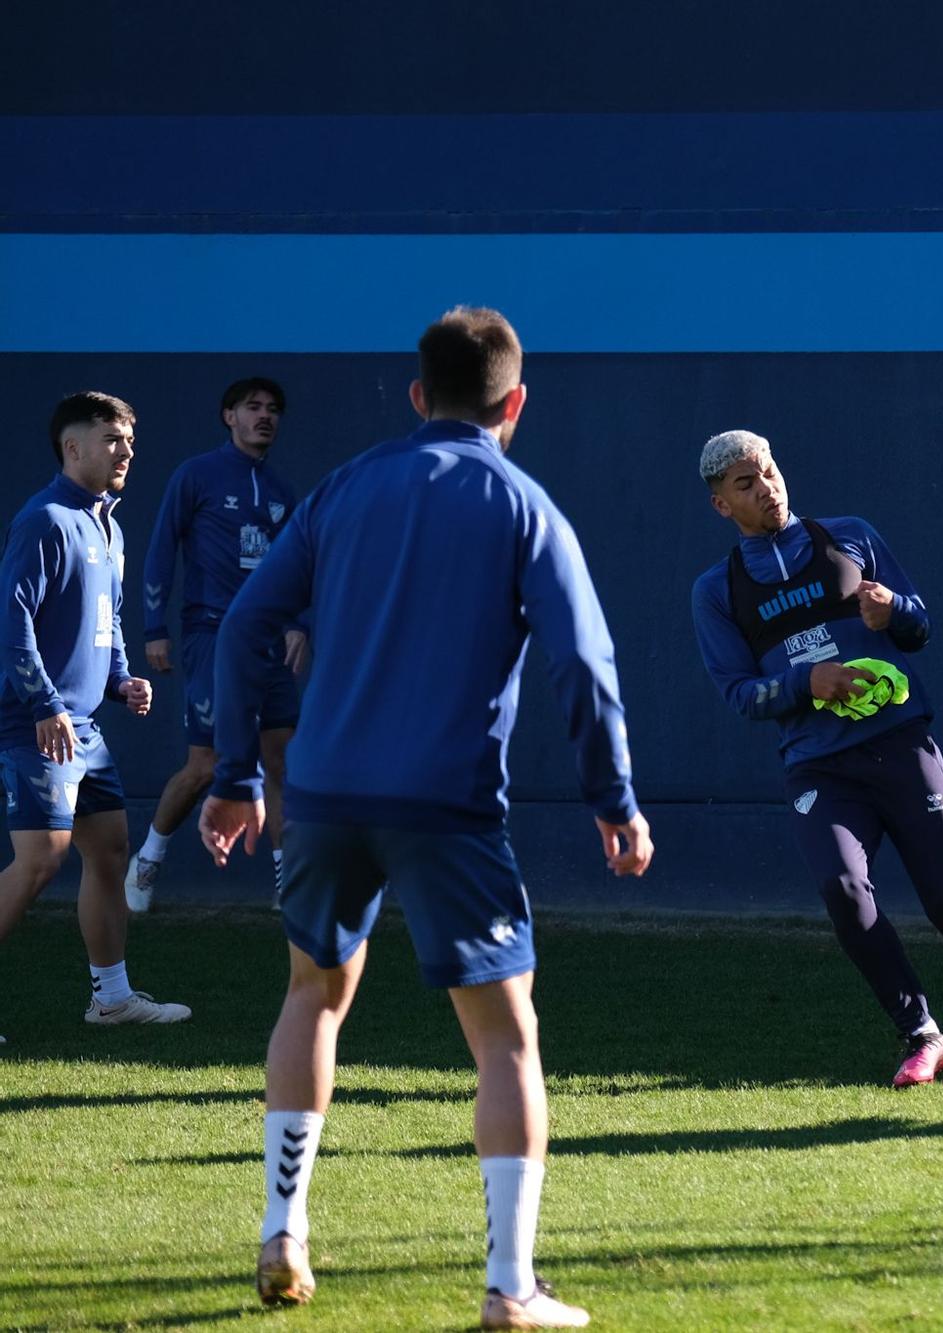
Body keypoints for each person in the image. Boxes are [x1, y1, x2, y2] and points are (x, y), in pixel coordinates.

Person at [198, 308, 653, 1327]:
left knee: (312, 996)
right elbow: (584, 661)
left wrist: (236, 771)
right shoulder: (523, 503)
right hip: (445, 807)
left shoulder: (344, 487)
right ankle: (509, 1288)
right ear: (515, 404)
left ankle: (282, 1231)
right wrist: (612, 798)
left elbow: (242, 627)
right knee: (503, 1040)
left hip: (319, 798)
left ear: (417, 395)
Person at [690, 430, 943, 1088]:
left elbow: (920, 625)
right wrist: (804, 684)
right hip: (820, 769)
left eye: (768, 470)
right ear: (721, 506)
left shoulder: (851, 536)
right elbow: (737, 692)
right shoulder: (717, 591)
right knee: (844, 890)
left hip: (902, 745)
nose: (766, 487)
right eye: (745, 483)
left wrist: (893, 611)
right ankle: (922, 1035)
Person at [0, 392, 188, 1041]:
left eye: (130, 440)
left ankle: (111, 998)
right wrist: (46, 704)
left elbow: (104, 621)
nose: (127, 451)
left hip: (84, 728)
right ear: (72, 447)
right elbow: (13, 620)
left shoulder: (110, 525)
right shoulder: (45, 519)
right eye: (113, 439)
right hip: (35, 722)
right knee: (40, 860)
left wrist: (121, 679)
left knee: (109, 850)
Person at [128, 378, 306, 911]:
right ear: (229, 416)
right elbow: (161, 549)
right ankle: (148, 862)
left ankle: (288, 885)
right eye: (252, 408)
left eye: (272, 409)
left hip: (270, 642)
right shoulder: (197, 476)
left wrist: (297, 621)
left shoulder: (280, 492)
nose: (264, 417)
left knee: (283, 762)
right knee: (205, 765)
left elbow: (293, 569)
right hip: (211, 634)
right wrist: (154, 627)